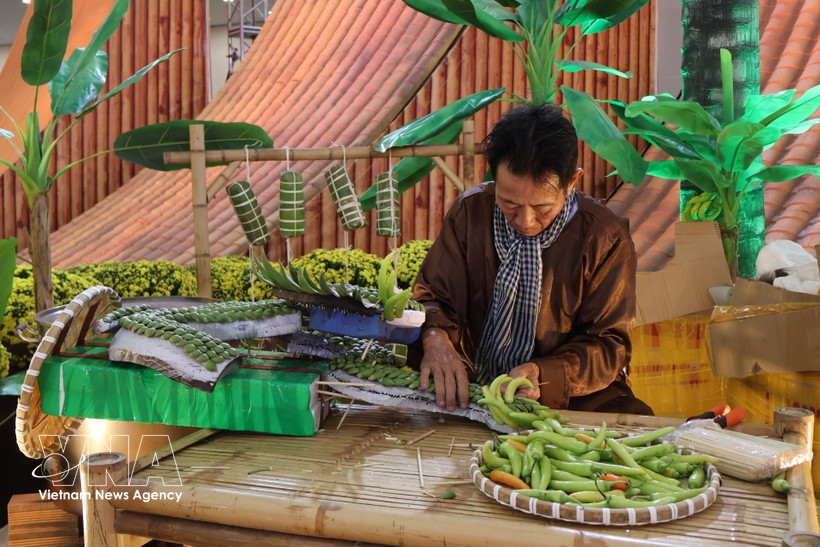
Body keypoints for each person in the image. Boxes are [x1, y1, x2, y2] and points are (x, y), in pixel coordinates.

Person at [411, 102, 652, 416]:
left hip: (569, 397)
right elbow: (432, 298)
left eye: (542, 208)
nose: (525, 221)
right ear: (494, 178)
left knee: (637, 422)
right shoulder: (470, 213)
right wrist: (435, 336)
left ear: (572, 182)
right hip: (471, 387)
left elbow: (609, 344)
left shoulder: (604, 237)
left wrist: (546, 374)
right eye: (509, 203)